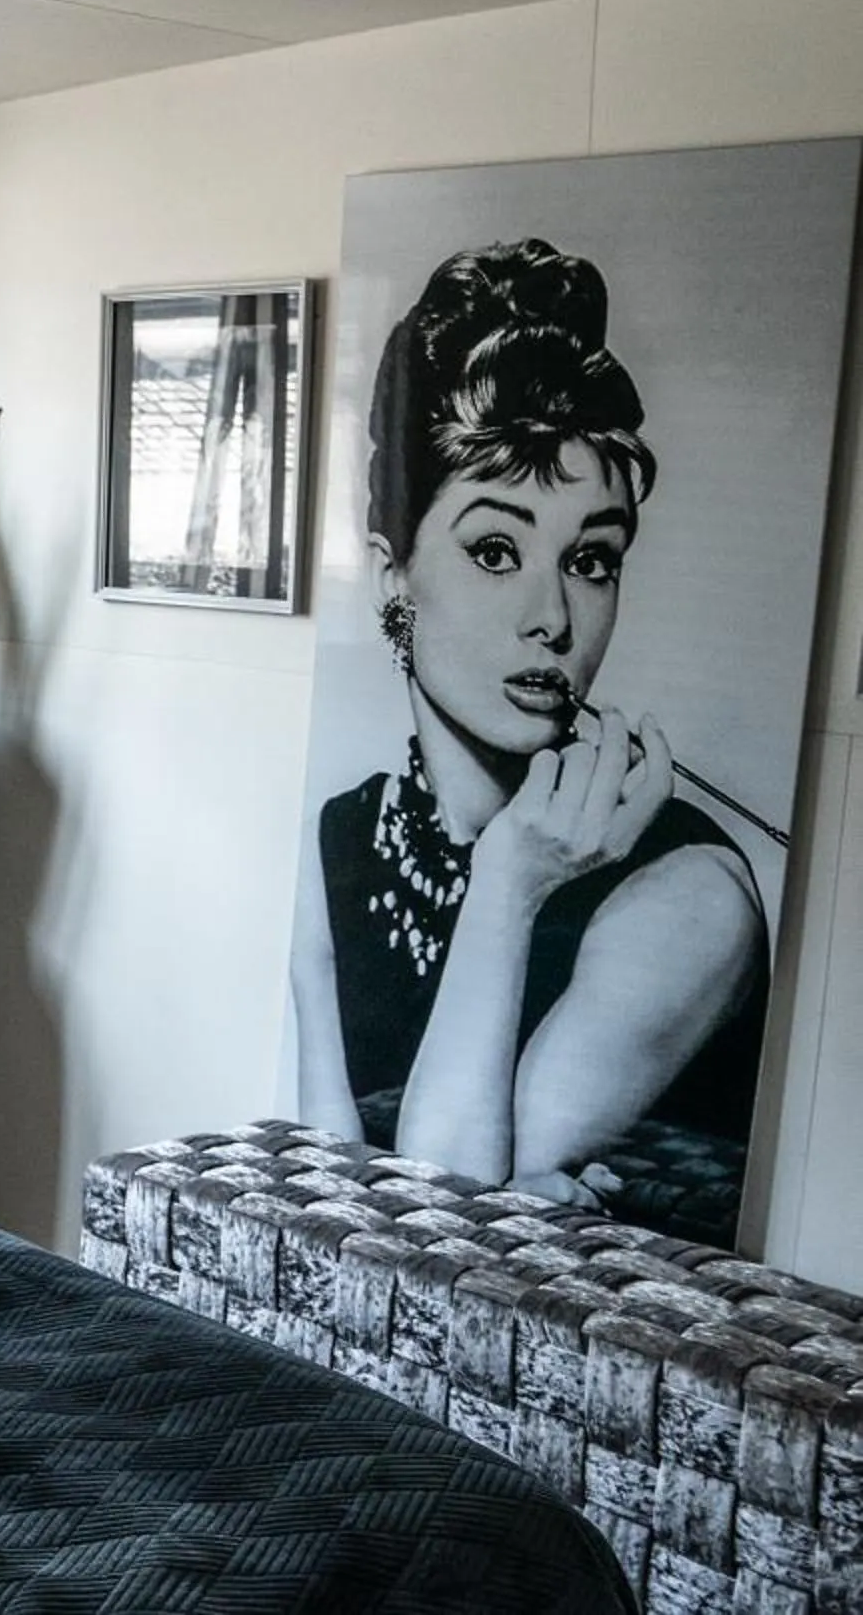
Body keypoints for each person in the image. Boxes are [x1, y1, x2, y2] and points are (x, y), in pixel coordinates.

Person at [289, 240, 768, 1219]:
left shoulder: (693, 899)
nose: (553, 618)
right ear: (392, 578)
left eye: (591, 561)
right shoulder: (342, 835)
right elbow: (327, 1181)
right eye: (497, 550)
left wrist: (507, 881)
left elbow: (445, 1195)